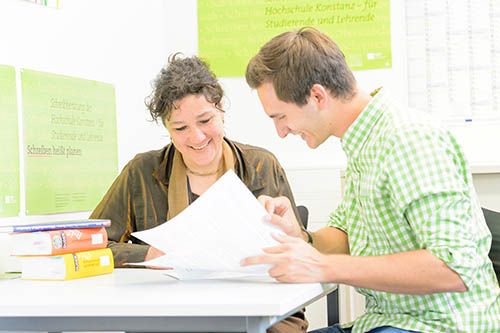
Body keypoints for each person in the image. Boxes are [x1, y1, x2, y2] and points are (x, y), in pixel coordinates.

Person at [242, 27, 500, 332]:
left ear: (317, 96)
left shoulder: (410, 140)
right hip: (386, 322)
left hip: (437, 325)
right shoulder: (364, 143)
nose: (281, 132)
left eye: (281, 117)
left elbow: (453, 269)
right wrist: (301, 238)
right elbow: (347, 236)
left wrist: (321, 266)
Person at [90, 54, 308, 333]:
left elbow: (299, 256)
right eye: (180, 128)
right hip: (169, 317)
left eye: (205, 121)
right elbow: (90, 245)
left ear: (221, 110)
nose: (196, 138)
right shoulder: (141, 172)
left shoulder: (261, 166)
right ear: (167, 129)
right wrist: (147, 255)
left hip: (257, 315)